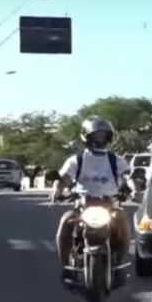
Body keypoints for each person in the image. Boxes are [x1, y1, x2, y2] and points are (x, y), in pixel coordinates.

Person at [52, 117, 134, 278]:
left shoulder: (115, 160)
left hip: (109, 204)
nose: (100, 138)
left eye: (103, 135)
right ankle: (66, 267)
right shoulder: (76, 160)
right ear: (87, 136)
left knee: (123, 222)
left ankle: (119, 266)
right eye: (97, 135)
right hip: (83, 205)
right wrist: (57, 190)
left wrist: (133, 188)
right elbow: (63, 179)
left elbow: (127, 177)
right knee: (65, 222)